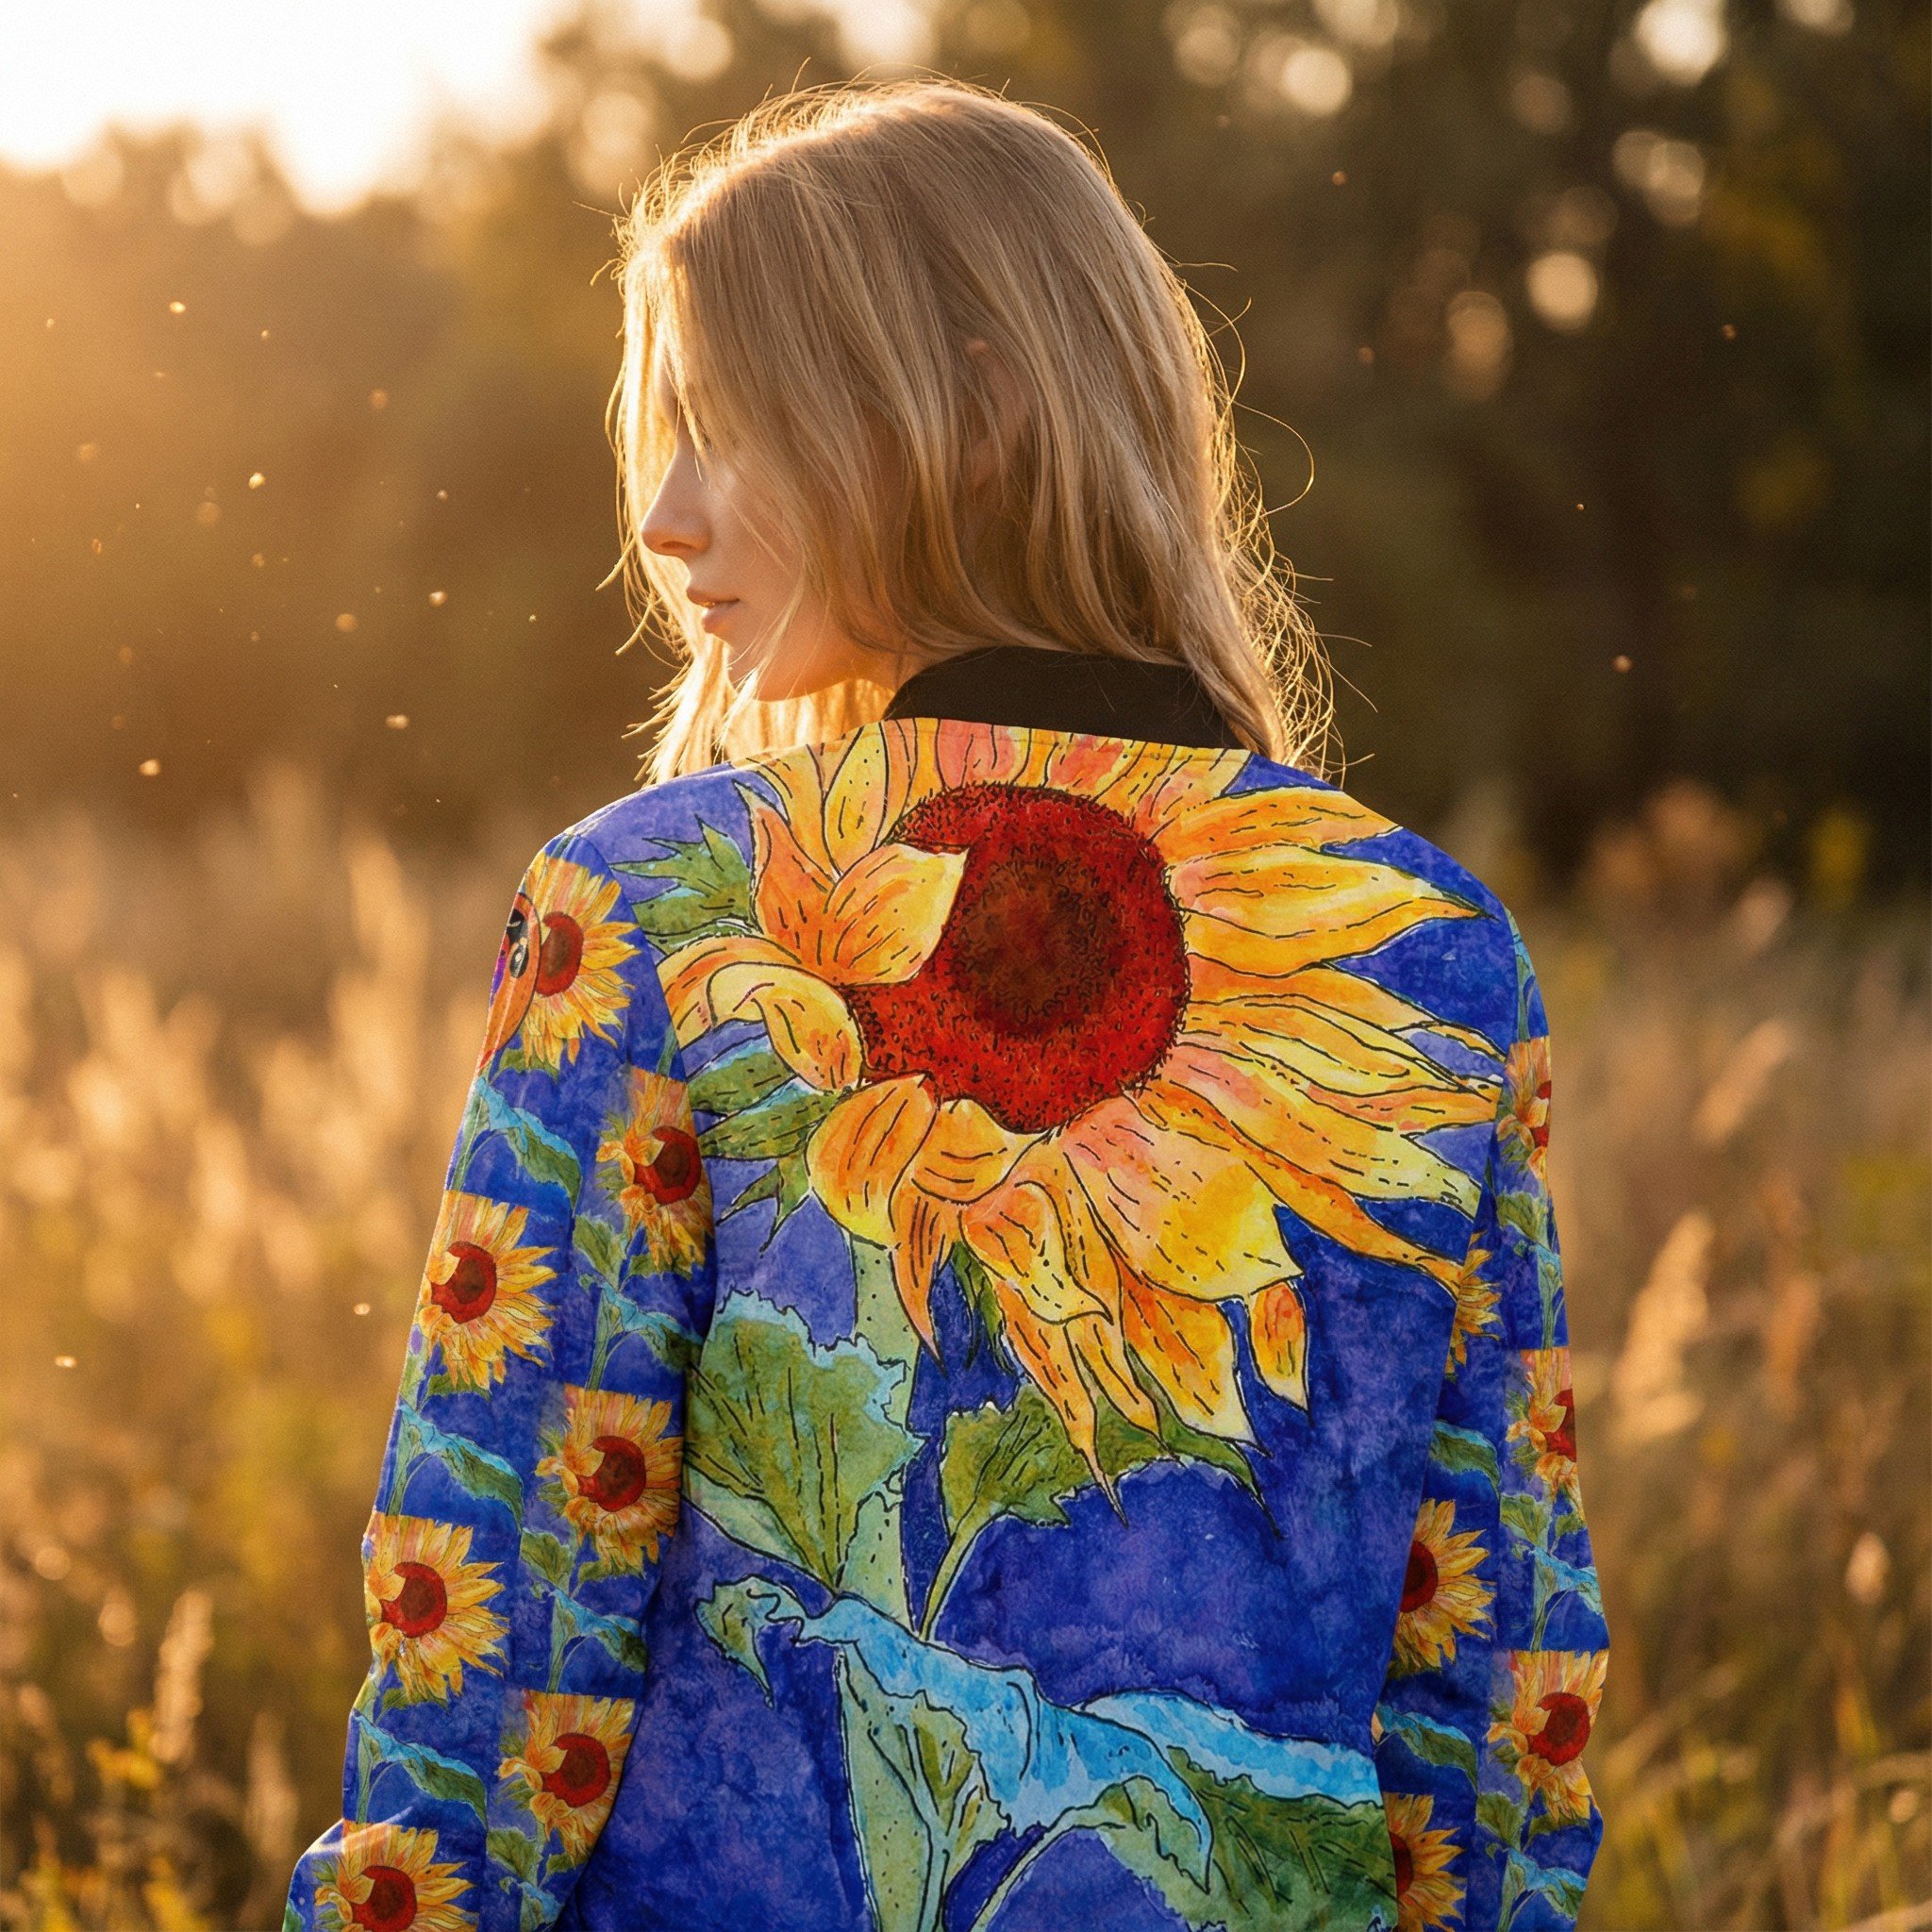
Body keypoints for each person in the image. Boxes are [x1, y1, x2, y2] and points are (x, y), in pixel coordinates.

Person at [285, 80, 1607, 1932]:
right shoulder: (1435, 953)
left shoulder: (663, 913)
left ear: (973, 413)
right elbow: (1495, 1718)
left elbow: (499, 1637)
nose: (662, 521)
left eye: (730, 429)